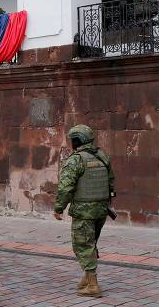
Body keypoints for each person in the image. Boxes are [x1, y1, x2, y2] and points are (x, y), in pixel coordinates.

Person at [53, 124, 114, 298]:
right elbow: (111, 182)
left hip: (83, 212)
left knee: (82, 245)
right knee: (91, 244)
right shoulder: (102, 157)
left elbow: (65, 187)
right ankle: (87, 279)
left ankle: (93, 285)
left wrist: (59, 208)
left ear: (77, 140)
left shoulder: (75, 159)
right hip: (101, 210)